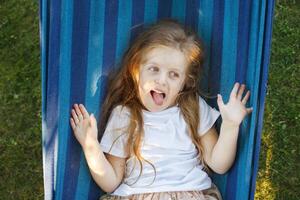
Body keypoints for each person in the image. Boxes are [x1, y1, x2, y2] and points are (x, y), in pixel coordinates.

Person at [70, 19, 252, 200]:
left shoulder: (193, 108)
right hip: (137, 195)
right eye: (154, 69)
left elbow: (219, 164)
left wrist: (230, 125)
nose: (162, 80)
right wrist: (90, 145)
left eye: (174, 74)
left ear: (185, 81)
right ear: (136, 70)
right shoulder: (124, 115)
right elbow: (110, 182)